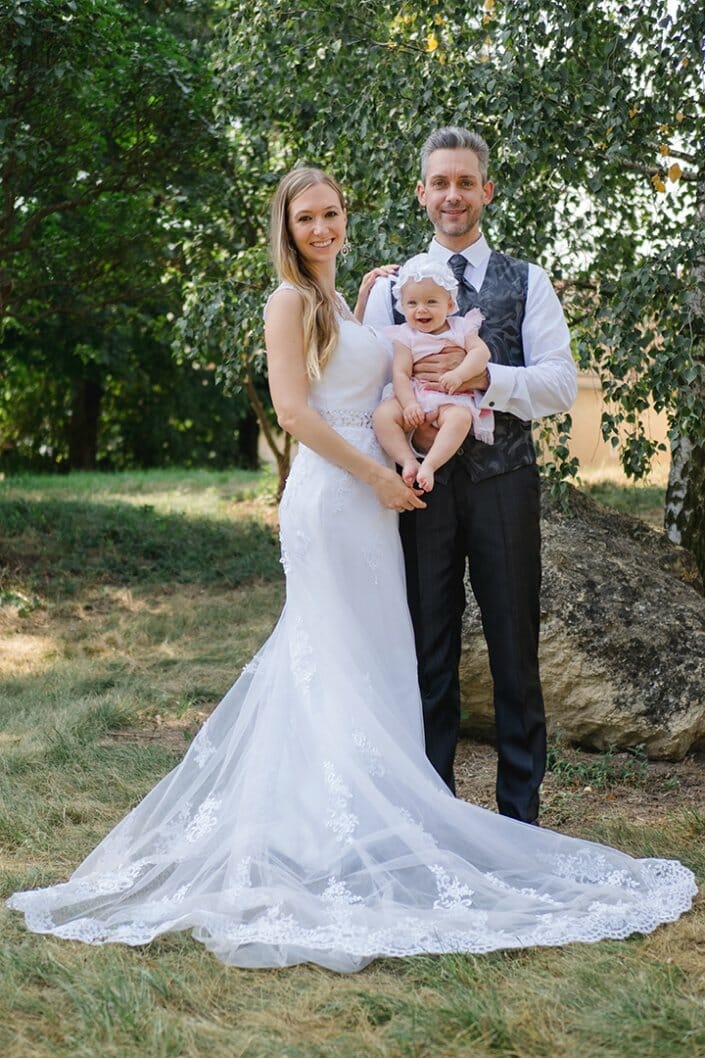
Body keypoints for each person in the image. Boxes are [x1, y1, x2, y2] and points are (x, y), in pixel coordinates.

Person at [7, 167, 695, 973]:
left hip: (377, 507)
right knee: (326, 656)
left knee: (372, 660)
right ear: (286, 227)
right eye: (307, 218)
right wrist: (374, 475)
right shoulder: (288, 302)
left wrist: (369, 303)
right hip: (337, 500)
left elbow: (385, 361)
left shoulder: (356, 297)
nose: (324, 227)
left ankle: (376, 822)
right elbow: (296, 411)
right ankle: (318, 830)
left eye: (333, 212)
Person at [364, 127, 578, 825]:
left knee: (515, 645)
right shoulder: (391, 286)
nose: (451, 195)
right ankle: (433, 818)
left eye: (465, 182)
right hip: (418, 489)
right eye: (439, 182)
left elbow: (560, 384)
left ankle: (519, 819)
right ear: (420, 193)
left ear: (485, 190)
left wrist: (488, 377)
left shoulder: (529, 280)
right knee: (426, 647)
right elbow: (360, 385)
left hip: (503, 480)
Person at [373, 253, 494, 493]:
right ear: (402, 305)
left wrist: (460, 374)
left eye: (431, 302)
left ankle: (429, 464)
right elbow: (400, 373)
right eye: (412, 303)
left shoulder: (461, 327)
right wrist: (408, 405)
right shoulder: (405, 335)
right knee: (383, 415)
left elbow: (481, 354)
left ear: (449, 305)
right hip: (415, 394)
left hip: (450, 396)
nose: (421, 310)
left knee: (460, 418)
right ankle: (407, 459)